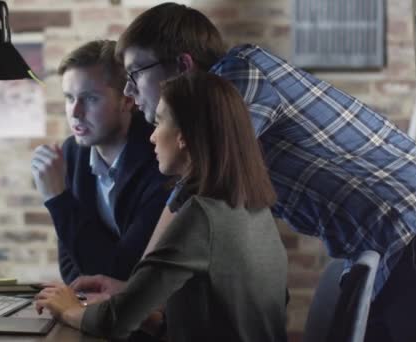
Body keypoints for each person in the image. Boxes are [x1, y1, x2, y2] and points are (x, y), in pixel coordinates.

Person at [105, 3, 416, 341]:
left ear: (183, 66)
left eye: (135, 73)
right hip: (391, 245)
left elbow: (193, 187)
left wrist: (133, 294)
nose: (129, 91)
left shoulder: (241, 73)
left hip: (414, 230)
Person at [35, 71, 288, 341]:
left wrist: (68, 309)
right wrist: (126, 297)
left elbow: (114, 323)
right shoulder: (254, 208)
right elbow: (215, 321)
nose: (153, 137)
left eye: (158, 123)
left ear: (183, 137)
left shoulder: (200, 215)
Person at [30, 40, 170, 284]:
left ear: (127, 99)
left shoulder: (159, 158)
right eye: (69, 98)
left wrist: (57, 199)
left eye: (90, 99)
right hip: (102, 310)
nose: (75, 112)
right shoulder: (73, 152)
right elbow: (71, 264)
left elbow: (125, 272)